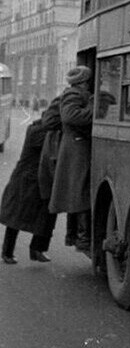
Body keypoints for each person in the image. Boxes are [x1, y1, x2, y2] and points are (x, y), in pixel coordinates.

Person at [49, 66, 94, 254]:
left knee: (78, 191)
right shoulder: (73, 95)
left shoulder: (73, 93)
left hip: (75, 147)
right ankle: (82, 237)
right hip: (77, 148)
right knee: (80, 192)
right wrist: (94, 107)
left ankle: (75, 235)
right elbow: (70, 116)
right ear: (83, 82)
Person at [1, 117, 58, 263]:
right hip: (27, 179)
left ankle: (36, 250)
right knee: (17, 216)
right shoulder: (38, 131)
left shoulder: (42, 129)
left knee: (44, 215)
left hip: (37, 178)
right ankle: (8, 252)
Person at [38, 94, 80, 246]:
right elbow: (49, 121)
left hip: (59, 155)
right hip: (57, 156)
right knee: (71, 193)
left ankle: (41, 245)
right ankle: (71, 236)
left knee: (71, 193)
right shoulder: (66, 99)